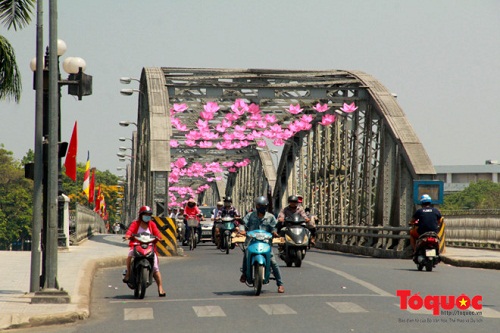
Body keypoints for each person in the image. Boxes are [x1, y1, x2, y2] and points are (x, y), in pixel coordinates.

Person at [239, 196, 284, 293]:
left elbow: (274, 227)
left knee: (273, 262)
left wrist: (275, 232)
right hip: (252, 241)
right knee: (246, 255)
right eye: (259, 205)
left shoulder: (270, 217)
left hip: (265, 242)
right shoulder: (250, 215)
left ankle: (280, 284)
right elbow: (243, 223)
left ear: (266, 206)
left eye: (263, 205)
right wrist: (242, 230)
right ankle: (244, 273)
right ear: (256, 206)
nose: (261, 207)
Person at [123, 205, 166, 297]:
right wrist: (127, 236)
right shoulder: (135, 223)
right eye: (145, 214)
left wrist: (160, 238)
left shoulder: (152, 224)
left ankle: (160, 288)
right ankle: (128, 274)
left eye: (149, 215)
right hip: (137, 245)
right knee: (130, 255)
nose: (147, 216)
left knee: (155, 267)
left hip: (149, 246)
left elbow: (157, 233)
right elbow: (130, 231)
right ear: (141, 215)